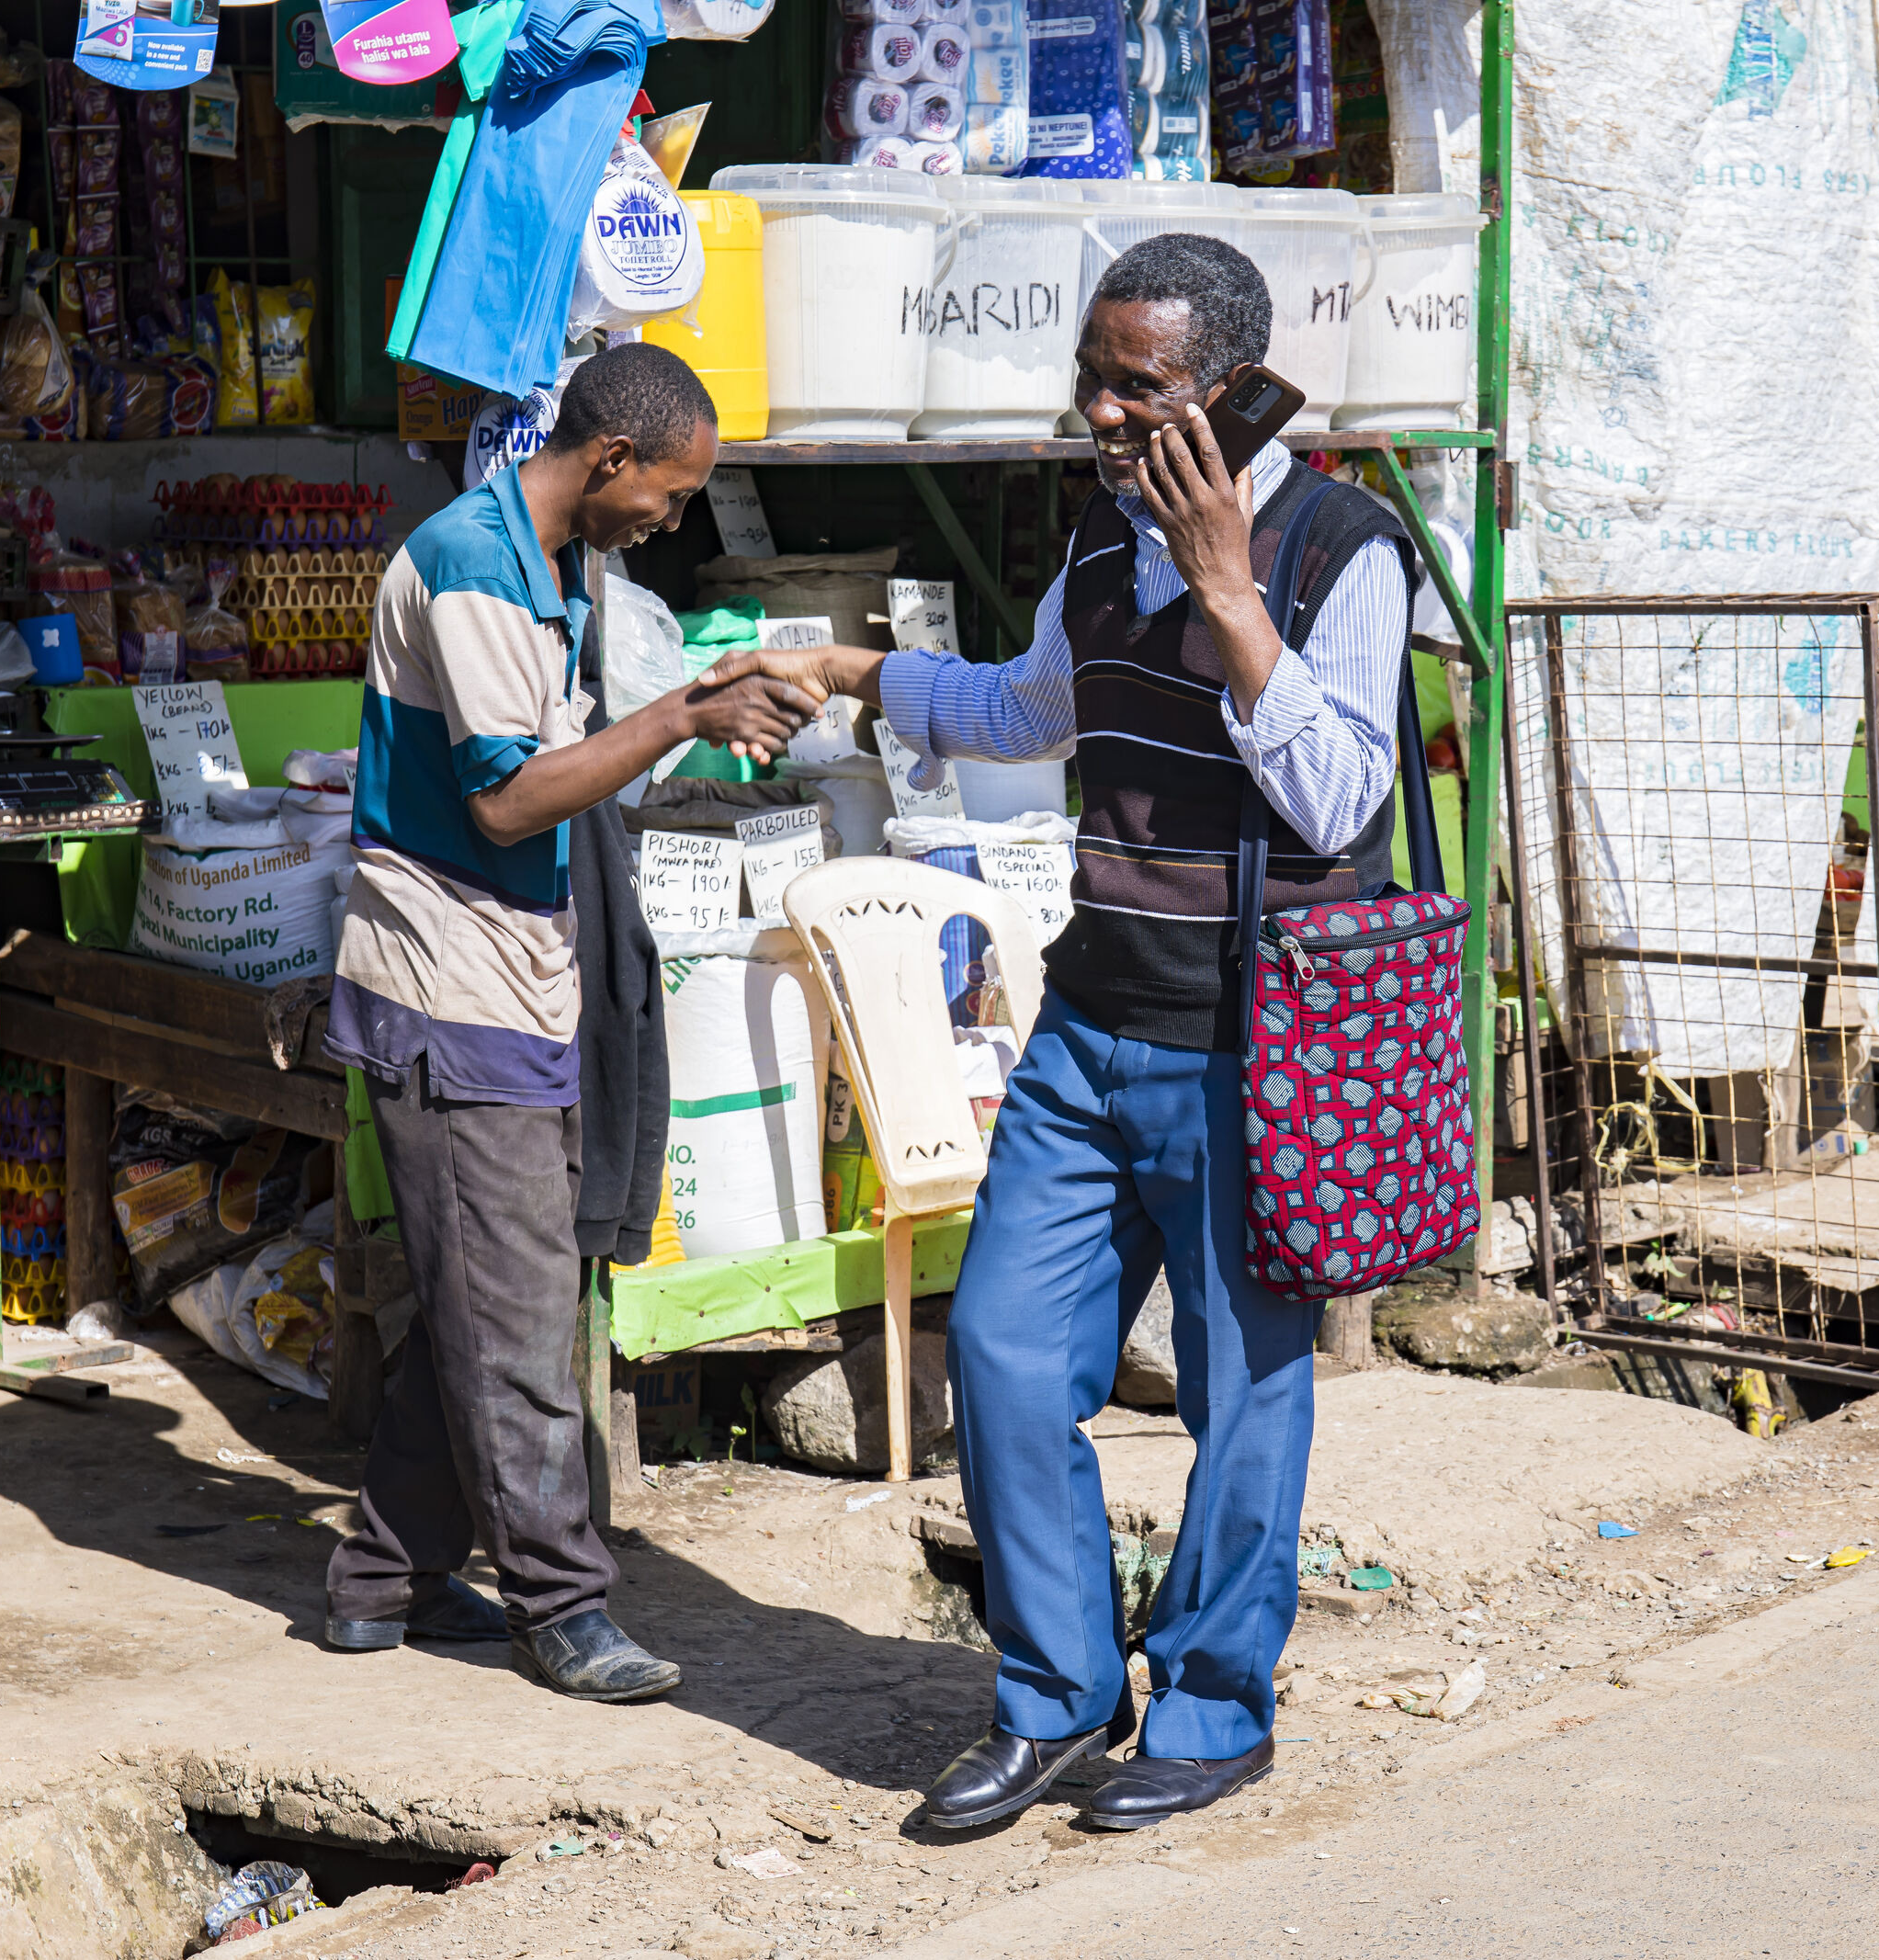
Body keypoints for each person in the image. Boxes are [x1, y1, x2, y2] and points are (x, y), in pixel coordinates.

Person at [713, 234, 1417, 1828]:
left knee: (1246, 1390)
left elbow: (1338, 796)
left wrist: (1231, 589)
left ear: (1228, 391)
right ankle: (1057, 1694)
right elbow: (1033, 708)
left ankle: (1218, 1705)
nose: (1097, 413)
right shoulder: (1102, 552)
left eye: (1136, 386)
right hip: (1093, 1031)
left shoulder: (1341, 547)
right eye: (1090, 379)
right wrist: (854, 671)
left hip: (1264, 1051)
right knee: (1009, 1356)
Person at [319, 341, 815, 1701]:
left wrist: (698, 707)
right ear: (608, 460)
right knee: (524, 1316)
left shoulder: (557, 570)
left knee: (491, 1293)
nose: (671, 518)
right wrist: (679, 714)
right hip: (450, 984)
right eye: (666, 492)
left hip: (515, 980)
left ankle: (378, 1580)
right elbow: (506, 800)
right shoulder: (475, 565)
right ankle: (562, 1604)